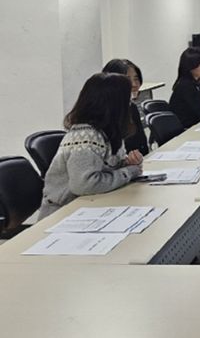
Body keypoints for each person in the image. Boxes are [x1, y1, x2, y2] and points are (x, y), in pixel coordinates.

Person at [38, 73, 143, 219]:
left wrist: (126, 163)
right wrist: (129, 172)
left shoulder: (109, 131)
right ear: (115, 104)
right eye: (127, 99)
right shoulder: (86, 136)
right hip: (63, 213)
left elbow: (107, 168)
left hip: (90, 205)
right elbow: (84, 185)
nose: (130, 103)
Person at [102, 58, 149, 155]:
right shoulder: (104, 114)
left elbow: (143, 147)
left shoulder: (132, 108)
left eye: (136, 79)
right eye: (127, 79)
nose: (134, 84)